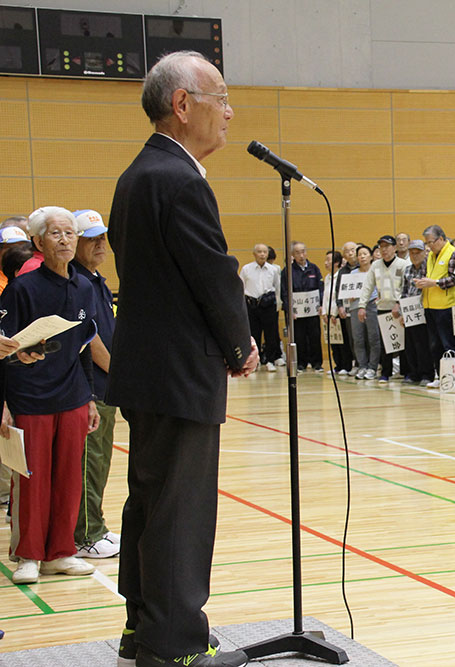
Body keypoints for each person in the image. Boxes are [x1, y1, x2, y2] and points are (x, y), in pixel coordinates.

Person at [107, 50, 255, 667]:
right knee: (180, 510)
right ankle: (174, 646)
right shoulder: (179, 178)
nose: (229, 111)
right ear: (182, 104)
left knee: (150, 497)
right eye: (220, 98)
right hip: (180, 369)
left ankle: (144, 626)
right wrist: (239, 344)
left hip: (146, 366)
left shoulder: (139, 173)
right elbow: (212, 273)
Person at [1, 206, 100, 585]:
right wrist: (4, 402)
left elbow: (86, 343)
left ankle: (60, 552)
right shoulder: (22, 288)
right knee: (32, 479)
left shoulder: (85, 286)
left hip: (73, 394)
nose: (65, 240)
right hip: (29, 397)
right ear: (38, 242)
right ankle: (28, 555)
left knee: (69, 477)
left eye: (70, 233)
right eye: (56, 234)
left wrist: (89, 396)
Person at [70, 209, 121, 559]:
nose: (100, 243)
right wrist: (119, 374)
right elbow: (91, 340)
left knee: (100, 461)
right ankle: (86, 534)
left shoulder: (97, 279)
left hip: (107, 386)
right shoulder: (78, 282)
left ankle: (96, 525)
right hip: (93, 387)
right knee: (90, 461)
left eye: (102, 236)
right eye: (91, 239)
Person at [359, 235, 408, 383]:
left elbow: (406, 287)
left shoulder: (403, 264)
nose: (384, 250)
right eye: (382, 247)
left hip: (399, 308)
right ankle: (386, 373)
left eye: (387, 246)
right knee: (386, 342)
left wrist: (399, 303)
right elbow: (367, 285)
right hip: (382, 307)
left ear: (394, 248)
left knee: (403, 341)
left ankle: (406, 372)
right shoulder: (376, 265)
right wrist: (362, 306)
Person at [415, 225, 455, 387]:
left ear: (441, 239)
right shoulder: (431, 256)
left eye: (431, 242)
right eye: (427, 243)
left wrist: (433, 283)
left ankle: (453, 378)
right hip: (430, 306)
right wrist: (421, 282)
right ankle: (441, 377)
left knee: (449, 344)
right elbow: (427, 276)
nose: (429, 246)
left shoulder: (454, 253)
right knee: (434, 345)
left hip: (446, 306)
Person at [281, 241, 324, 374]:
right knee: (299, 337)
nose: (301, 255)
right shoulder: (287, 271)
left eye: (303, 251)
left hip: (312, 309)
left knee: (315, 336)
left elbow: (321, 288)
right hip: (297, 312)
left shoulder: (314, 268)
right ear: (293, 255)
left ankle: (317, 363)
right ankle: (301, 364)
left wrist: (322, 304)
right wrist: (289, 309)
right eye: (298, 253)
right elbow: (285, 292)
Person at [240, 243, 281, 372]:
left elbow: (278, 288)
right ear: (254, 254)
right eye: (259, 252)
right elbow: (240, 287)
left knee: (271, 334)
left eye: (265, 252)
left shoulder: (273, 270)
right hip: (251, 304)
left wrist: (278, 305)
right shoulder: (246, 269)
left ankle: (270, 360)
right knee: (254, 334)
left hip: (268, 305)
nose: (262, 254)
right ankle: (255, 362)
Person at [400, 240, 435, 385]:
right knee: (410, 343)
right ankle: (413, 373)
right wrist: (402, 311)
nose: (415, 255)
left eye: (418, 252)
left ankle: (427, 374)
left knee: (423, 344)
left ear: (424, 252)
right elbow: (404, 291)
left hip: (424, 309)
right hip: (409, 310)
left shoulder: (429, 267)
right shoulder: (407, 269)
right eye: (412, 253)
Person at [347, 244, 379, 379]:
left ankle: (373, 367)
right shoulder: (353, 274)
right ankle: (362, 366)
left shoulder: (376, 271)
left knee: (373, 338)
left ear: (371, 256)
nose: (362, 256)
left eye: (365, 254)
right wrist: (349, 295)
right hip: (355, 307)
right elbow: (347, 292)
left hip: (372, 305)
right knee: (358, 338)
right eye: (359, 254)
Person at [333, 241, 359, 375]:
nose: (350, 253)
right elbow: (338, 291)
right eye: (347, 251)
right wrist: (340, 306)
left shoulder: (365, 267)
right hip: (349, 311)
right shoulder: (342, 272)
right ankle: (356, 363)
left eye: (353, 250)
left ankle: (367, 365)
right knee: (352, 337)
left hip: (363, 308)